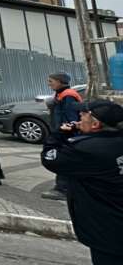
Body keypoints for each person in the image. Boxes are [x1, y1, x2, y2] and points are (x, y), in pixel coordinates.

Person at [40, 100, 123, 265]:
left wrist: (60, 134)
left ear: (96, 124)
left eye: (83, 114)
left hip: (108, 229)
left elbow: (50, 157)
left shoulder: (85, 149)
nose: (79, 116)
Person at [41, 72, 82, 201]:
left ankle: (62, 189)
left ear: (60, 82)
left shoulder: (68, 96)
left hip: (65, 135)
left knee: (62, 161)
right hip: (63, 133)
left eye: (51, 81)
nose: (49, 84)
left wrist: (65, 132)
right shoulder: (61, 94)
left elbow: (71, 117)